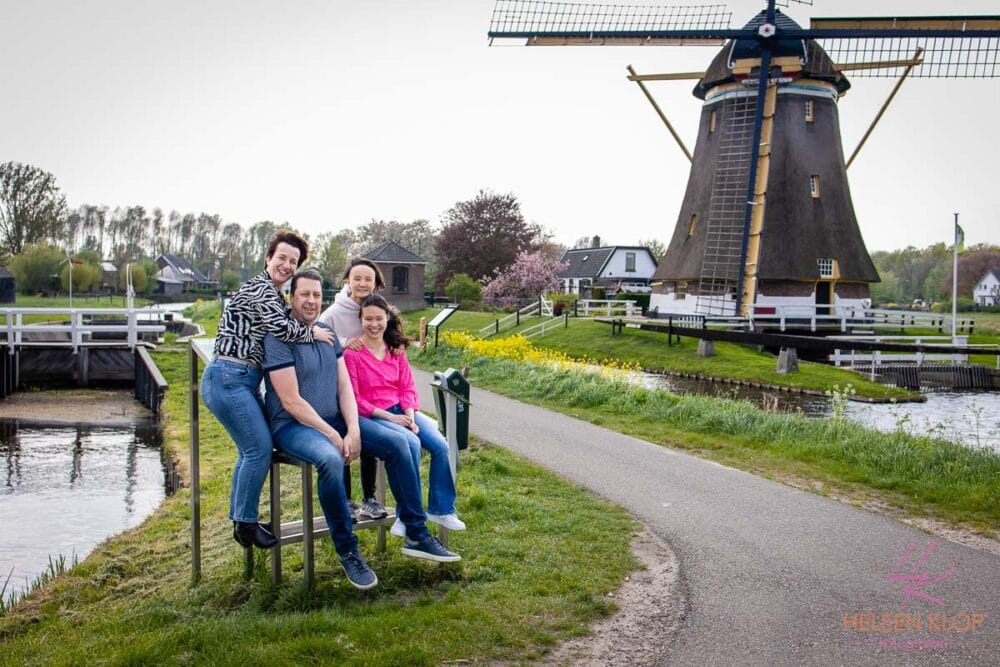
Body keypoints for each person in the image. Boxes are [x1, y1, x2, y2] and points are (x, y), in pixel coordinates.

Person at [263, 269, 460, 589]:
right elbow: (291, 401)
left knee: (400, 443)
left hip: (338, 419)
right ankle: (349, 551)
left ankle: (416, 533)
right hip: (294, 425)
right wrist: (333, 434)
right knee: (329, 459)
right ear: (291, 297)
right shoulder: (277, 338)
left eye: (316, 294)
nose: (311, 301)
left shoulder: (326, 333)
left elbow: (344, 388)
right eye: (304, 294)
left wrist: (353, 428)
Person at [200, 230, 334, 550]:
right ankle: (245, 524)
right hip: (229, 377)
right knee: (257, 449)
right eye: (282, 258)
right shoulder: (261, 289)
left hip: (244, 379)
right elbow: (281, 328)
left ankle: (240, 519)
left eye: (293, 261)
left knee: (254, 448)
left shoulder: (276, 294)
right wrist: (313, 334)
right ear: (268, 259)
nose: (286, 265)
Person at [343, 293, 466, 538]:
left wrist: (409, 416)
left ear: (387, 319)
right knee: (411, 447)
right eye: (368, 319)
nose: (374, 324)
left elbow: (407, 388)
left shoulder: (396, 351)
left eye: (379, 318)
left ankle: (441, 508)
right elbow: (355, 399)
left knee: (441, 446)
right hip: (377, 416)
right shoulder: (353, 354)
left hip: (403, 410)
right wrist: (393, 419)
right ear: (361, 319)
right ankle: (405, 515)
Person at [319, 258, 387, 521]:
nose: (362, 283)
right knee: (344, 442)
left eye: (368, 279)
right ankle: (345, 500)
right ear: (347, 280)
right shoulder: (333, 313)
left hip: (368, 391)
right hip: (338, 389)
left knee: (368, 443)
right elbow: (317, 335)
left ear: (375, 283)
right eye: (357, 278)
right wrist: (346, 342)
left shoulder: (376, 308)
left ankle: (370, 498)